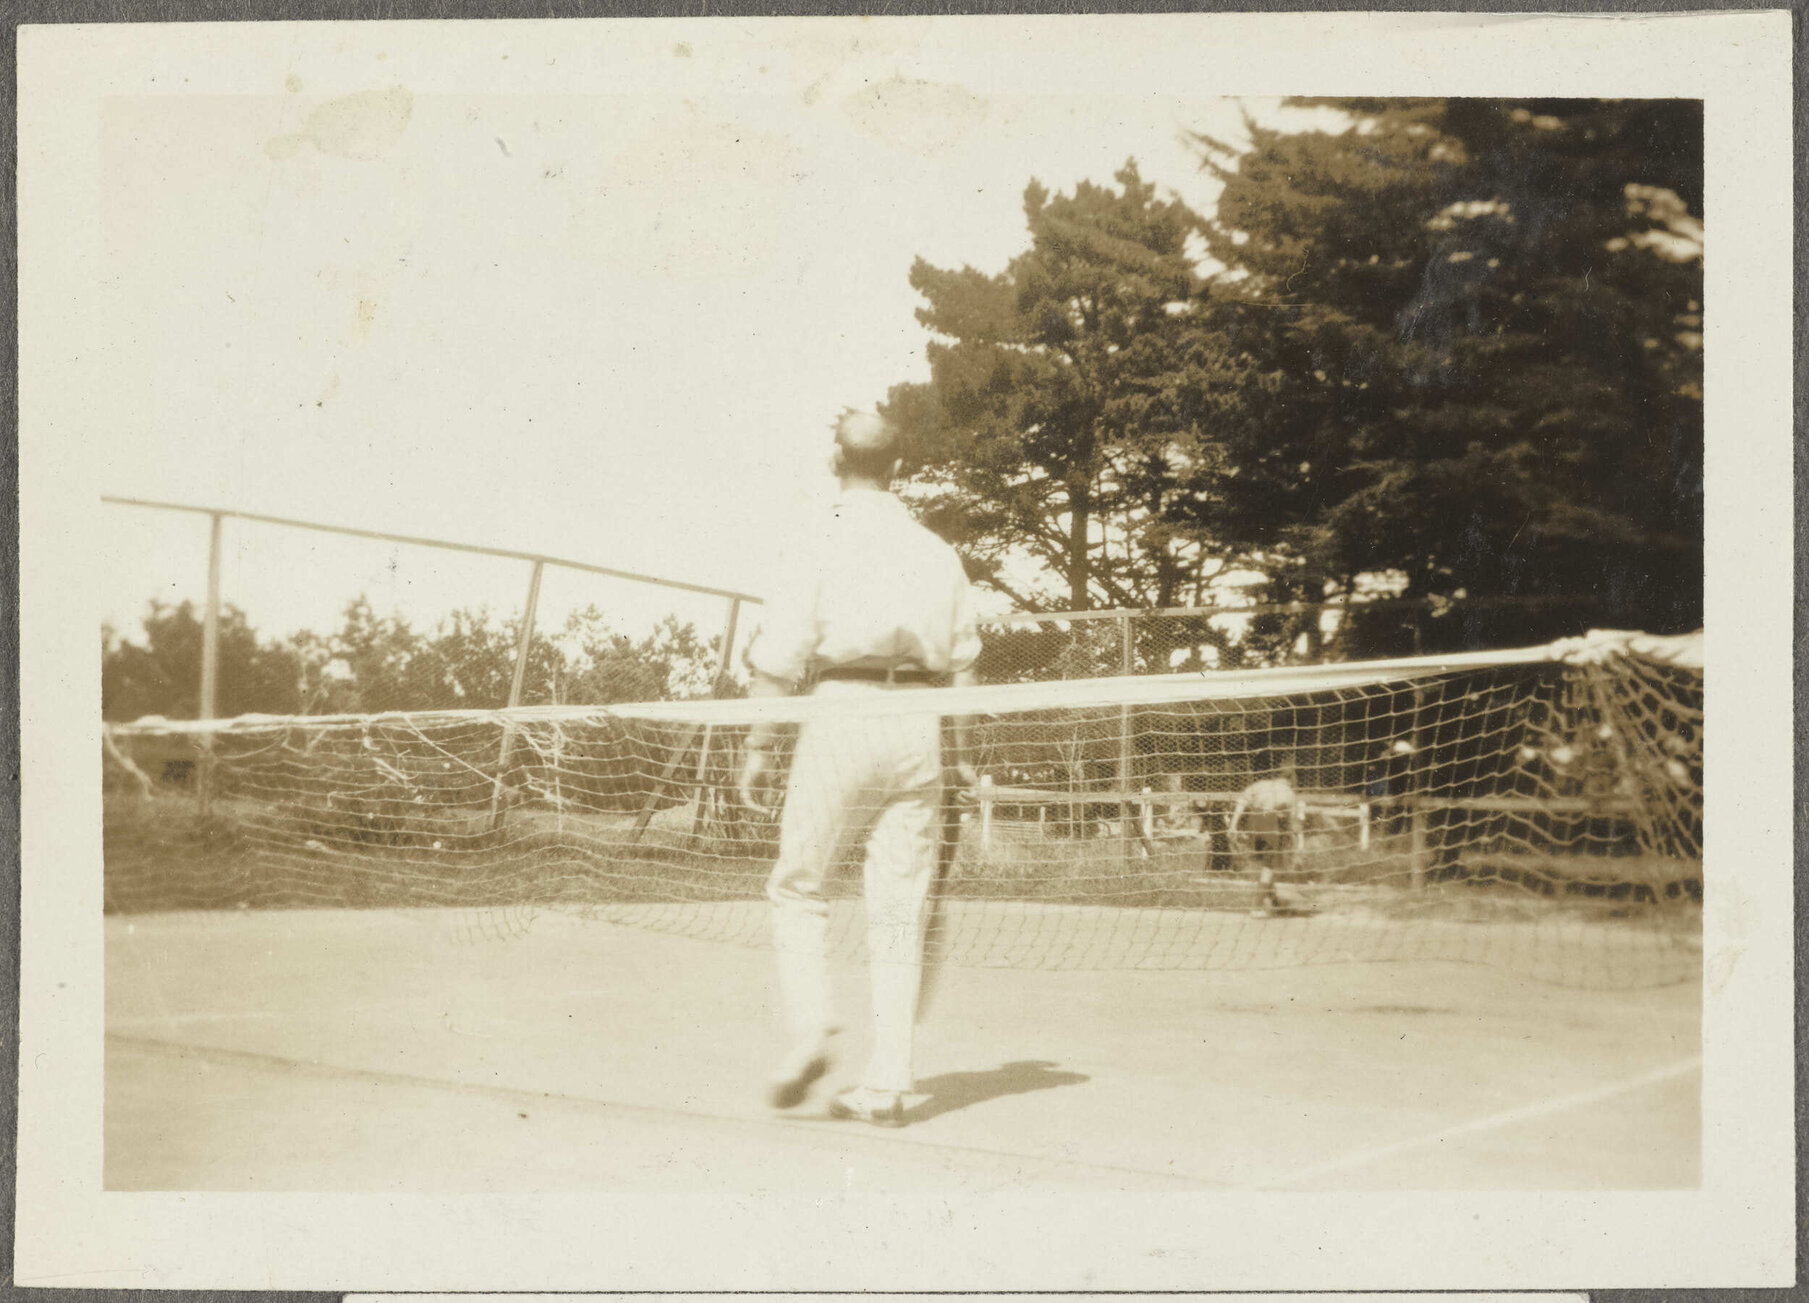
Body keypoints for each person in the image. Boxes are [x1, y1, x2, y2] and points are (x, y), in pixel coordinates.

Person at [737, 408, 981, 1128]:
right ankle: (888, 1082)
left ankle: (811, 1028)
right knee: (898, 908)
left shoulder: (814, 537)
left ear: (832, 461)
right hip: (919, 724)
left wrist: (756, 746)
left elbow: (778, 657)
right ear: (898, 466)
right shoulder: (936, 550)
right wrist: (960, 753)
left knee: (798, 886)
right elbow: (965, 665)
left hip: (841, 710)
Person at [1227, 755, 1305, 918]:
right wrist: (1294, 843)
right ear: (1291, 780)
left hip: (1253, 822)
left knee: (1266, 864)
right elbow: (1290, 821)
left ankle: (1275, 901)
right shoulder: (1289, 793)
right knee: (1268, 867)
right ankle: (1256, 907)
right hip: (1270, 824)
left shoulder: (1259, 785)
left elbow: (1241, 802)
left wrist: (1233, 825)